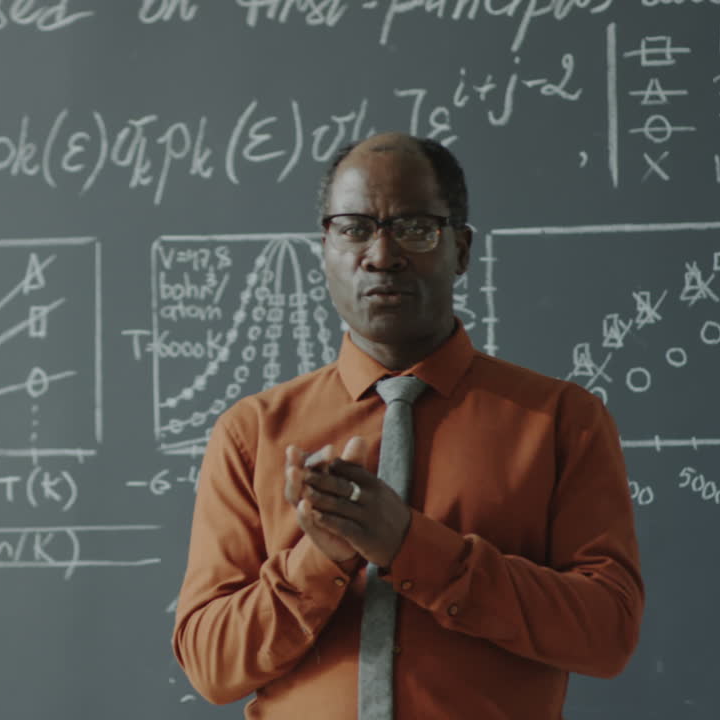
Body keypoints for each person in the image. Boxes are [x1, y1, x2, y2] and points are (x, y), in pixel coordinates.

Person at [172, 132, 644, 719]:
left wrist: (410, 545)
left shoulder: (561, 422)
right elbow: (212, 668)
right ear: (325, 248)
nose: (382, 254)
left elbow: (608, 632)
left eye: (415, 227)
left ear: (462, 250)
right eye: (353, 228)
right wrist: (319, 560)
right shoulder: (253, 433)